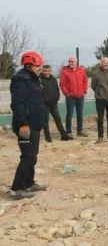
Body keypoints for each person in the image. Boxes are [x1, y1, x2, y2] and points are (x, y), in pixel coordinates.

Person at [9, 52, 47, 200]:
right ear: (29, 64)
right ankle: (17, 189)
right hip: (25, 126)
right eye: (38, 65)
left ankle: (29, 183)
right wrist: (23, 124)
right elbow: (18, 105)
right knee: (27, 156)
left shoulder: (34, 78)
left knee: (33, 155)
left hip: (35, 123)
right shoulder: (21, 80)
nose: (40, 68)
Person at [59, 56, 88, 138]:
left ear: (76, 62)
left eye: (72, 61)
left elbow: (85, 81)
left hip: (80, 96)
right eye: (69, 61)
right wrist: (67, 93)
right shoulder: (65, 71)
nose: (70, 63)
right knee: (69, 114)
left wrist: (84, 91)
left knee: (80, 114)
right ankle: (69, 131)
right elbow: (62, 84)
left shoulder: (81, 70)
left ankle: (80, 130)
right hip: (70, 97)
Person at [40, 65, 70, 142]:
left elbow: (57, 89)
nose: (47, 73)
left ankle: (63, 135)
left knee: (58, 119)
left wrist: (57, 98)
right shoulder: (39, 80)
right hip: (45, 104)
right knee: (45, 120)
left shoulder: (53, 79)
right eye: (45, 71)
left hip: (54, 103)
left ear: (51, 71)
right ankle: (48, 136)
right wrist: (43, 100)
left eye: (48, 71)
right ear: (42, 71)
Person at [91, 57, 108, 143]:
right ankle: (100, 137)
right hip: (100, 99)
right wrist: (99, 93)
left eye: (107, 63)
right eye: (104, 62)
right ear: (101, 63)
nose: (106, 64)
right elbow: (93, 85)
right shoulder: (96, 73)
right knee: (100, 119)